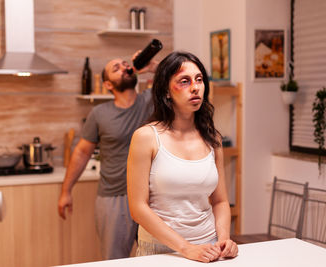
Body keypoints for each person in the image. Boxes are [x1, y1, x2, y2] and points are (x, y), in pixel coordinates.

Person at [127, 51, 238, 263]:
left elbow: (220, 200)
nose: (195, 87)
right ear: (166, 92)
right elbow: (138, 208)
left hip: (209, 248)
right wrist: (186, 249)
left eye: (199, 80)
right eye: (184, 81)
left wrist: (224, 239)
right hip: (160, 251)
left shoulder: (212, 138)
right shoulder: (146, 137)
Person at [58, 52, 157, 260]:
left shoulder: (149, 100)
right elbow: (82, 152)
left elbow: (173, 77)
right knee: (115, 260)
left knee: (155, 258)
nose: (124, 67)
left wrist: (152, 67)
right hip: (114, 197)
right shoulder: (99, 113)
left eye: (124, 64)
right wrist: (66, 191)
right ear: (108, 85)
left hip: (151, 196)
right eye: (116, 68)